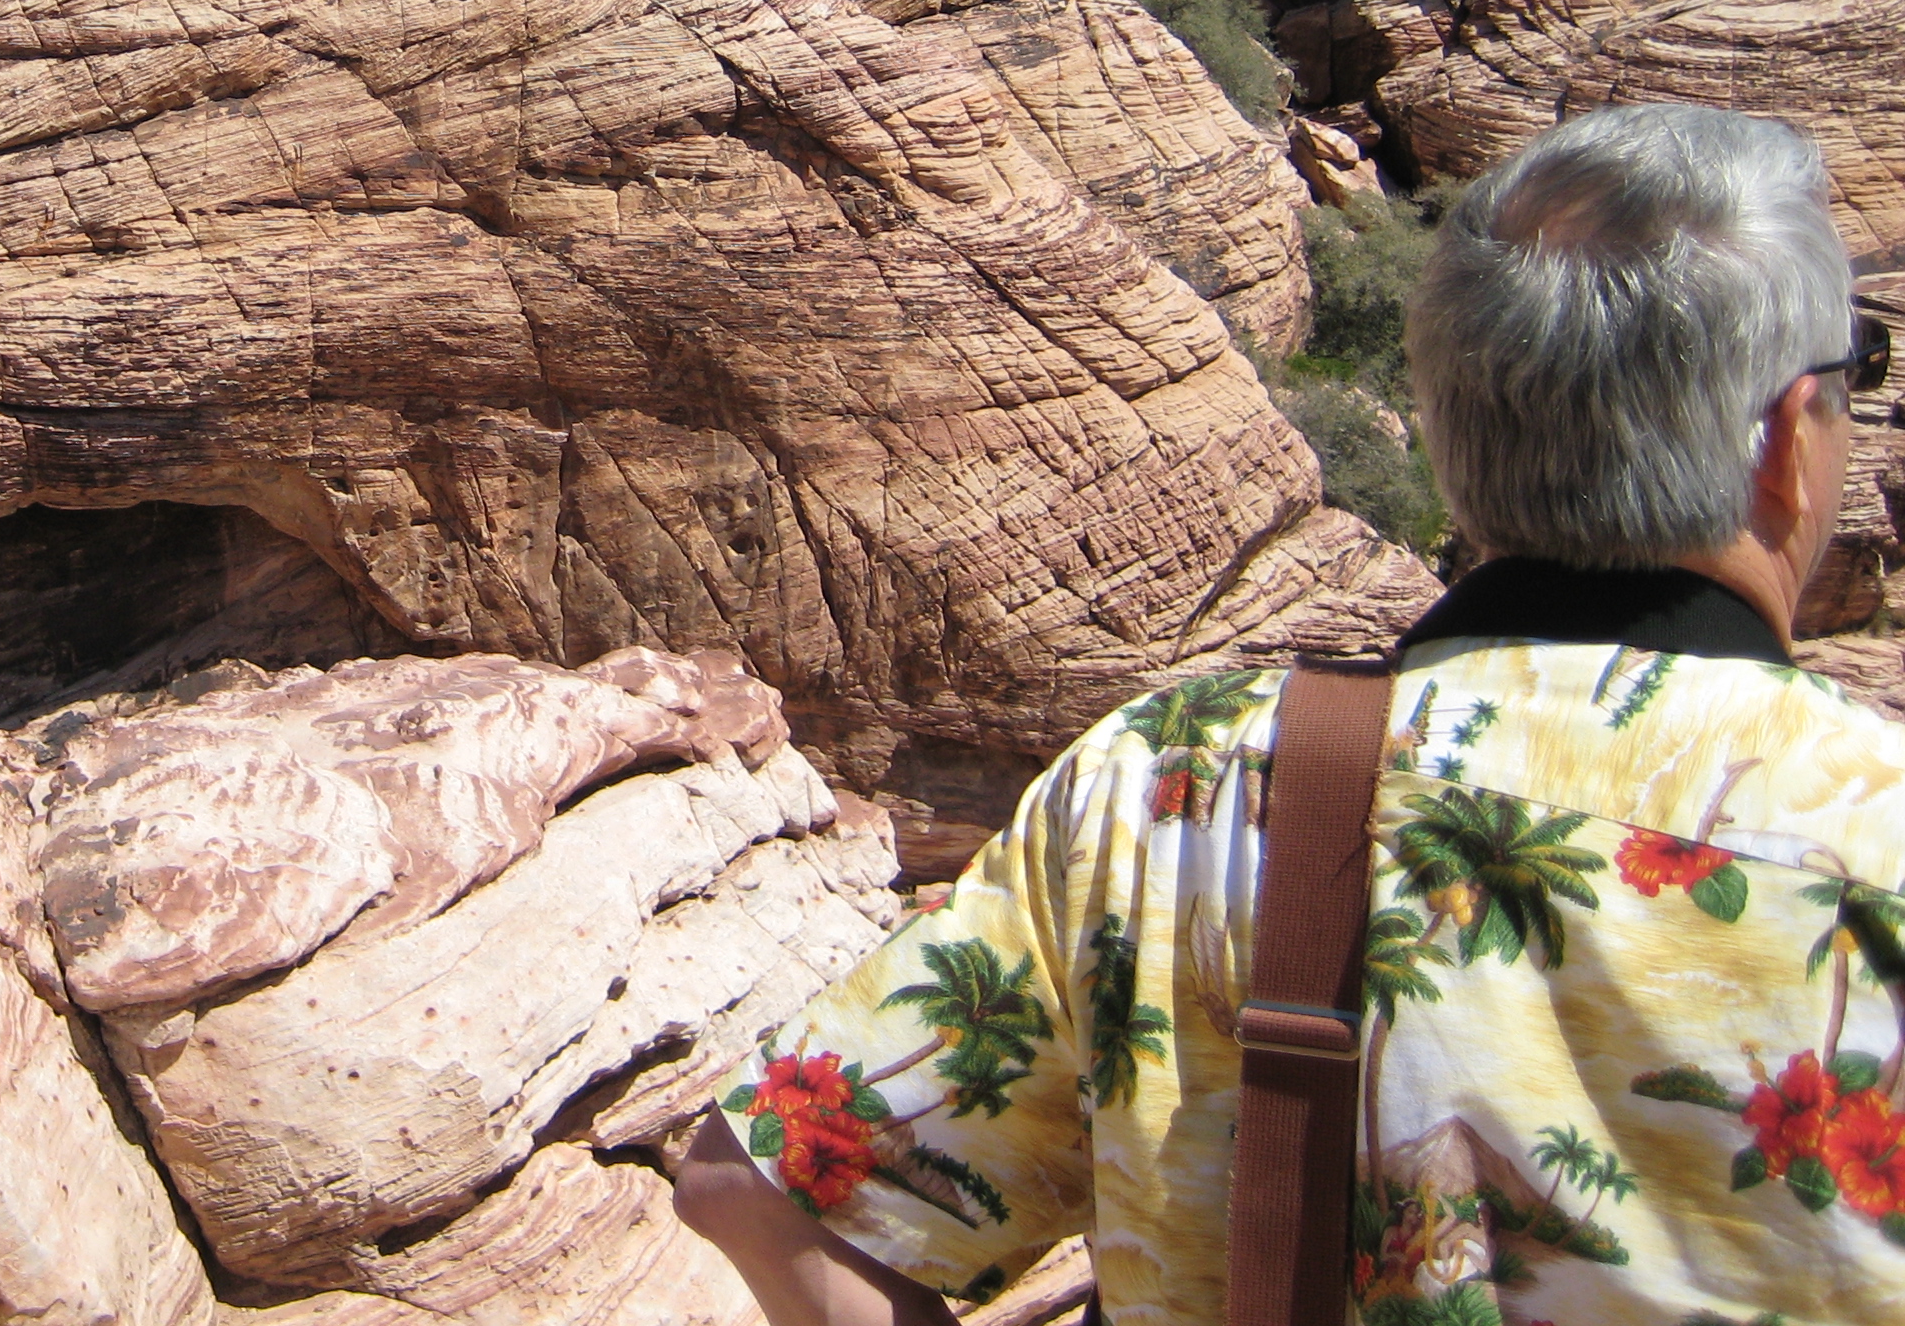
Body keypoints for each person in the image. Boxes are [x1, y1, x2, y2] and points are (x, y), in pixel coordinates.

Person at [676, 103, 1905, 1324]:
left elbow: (758, 1190)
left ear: (1451, 426)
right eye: (1861, 371)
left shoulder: (1168, 785)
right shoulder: (1875, 829)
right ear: (1788, 439)